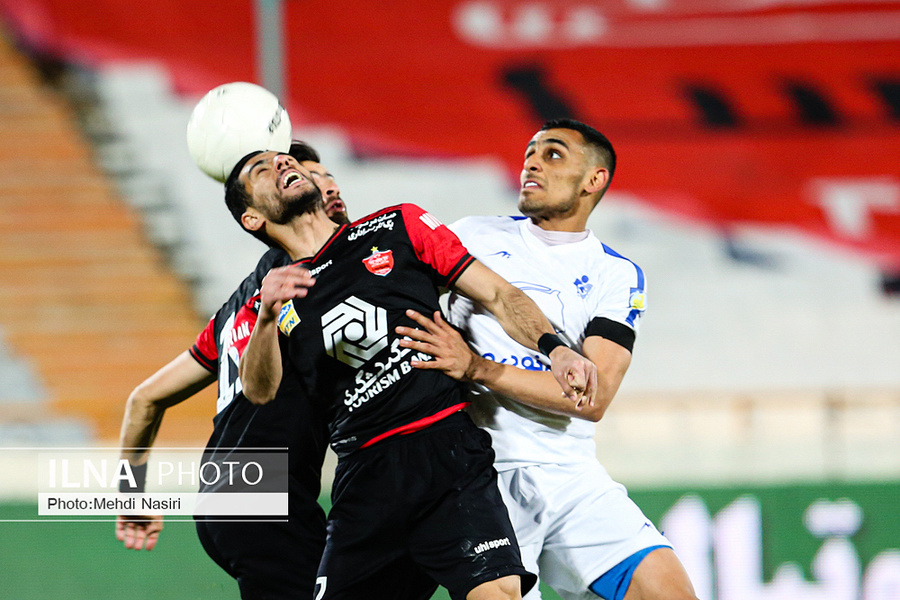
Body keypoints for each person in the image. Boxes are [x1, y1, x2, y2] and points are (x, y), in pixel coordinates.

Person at [231, 148, 599, 600]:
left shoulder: (397, 226)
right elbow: (259, 390)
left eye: (282, 159)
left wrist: (555, 348)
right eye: (261, 169)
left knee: (498, 592)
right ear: (252, 218)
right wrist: (267, 317)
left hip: (446, 451)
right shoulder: (273, 297)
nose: (282, 164)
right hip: (364, 477)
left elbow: (499, 295)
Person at [396, 119, 699, 600]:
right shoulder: (472, 235)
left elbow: (591, 398)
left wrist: (478, 368)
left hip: (570, 475)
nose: (531, 163)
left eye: (553, 154)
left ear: (594, 179)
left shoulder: (615, 274)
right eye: (530, 153)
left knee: (669, 593)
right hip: (480, 472)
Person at [116, 141, 348, 599]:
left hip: (226, 493)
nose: (329, 187)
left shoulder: (233, 311)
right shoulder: (298, 276)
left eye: (329, 178)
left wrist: (129, 493)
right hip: (263, 492)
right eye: (312, 178)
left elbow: (145, 399)